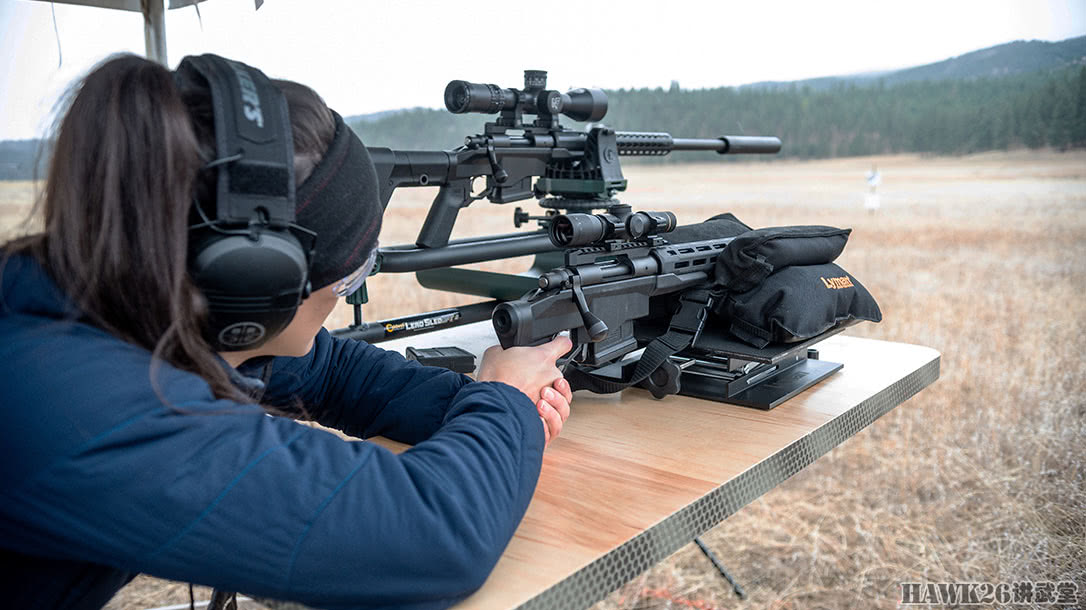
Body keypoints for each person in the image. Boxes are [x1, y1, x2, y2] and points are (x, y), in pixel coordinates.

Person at [0, 54, 573, 610]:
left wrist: (478, 402)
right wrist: (506, 404)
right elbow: (434, 537)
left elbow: (330, 369)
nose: (349, 288)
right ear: (249, 283)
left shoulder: (114, 303)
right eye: (350, 274)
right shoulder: (73, 403)